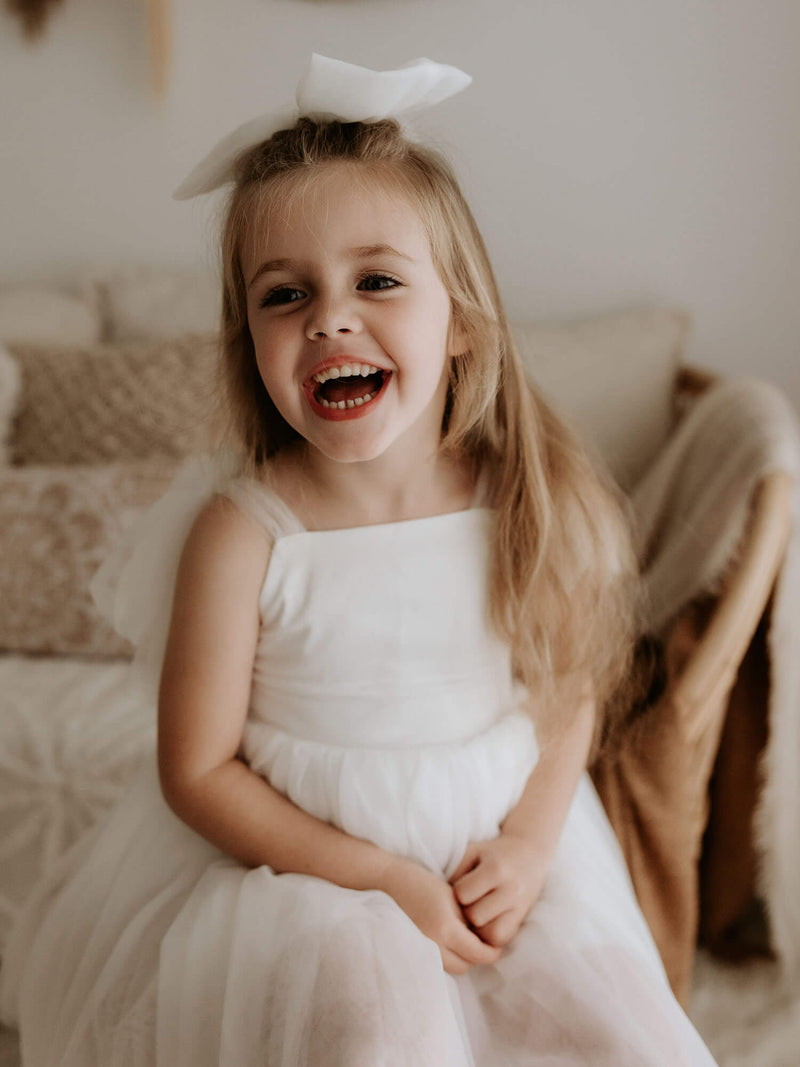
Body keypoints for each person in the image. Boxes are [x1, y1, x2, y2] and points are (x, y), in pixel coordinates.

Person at [0, 55, 717, 1066]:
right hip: (312, 885)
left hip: (493, 861)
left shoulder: (522, 498)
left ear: (460, 319)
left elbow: (567, 689)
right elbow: (197, 768)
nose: (328, 317)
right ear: (246, 337)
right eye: (283, 294)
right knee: (372, 1037)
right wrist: (381, 881)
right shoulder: (245, 532)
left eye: (375, 280)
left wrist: (527, 842)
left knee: (609, 1037)